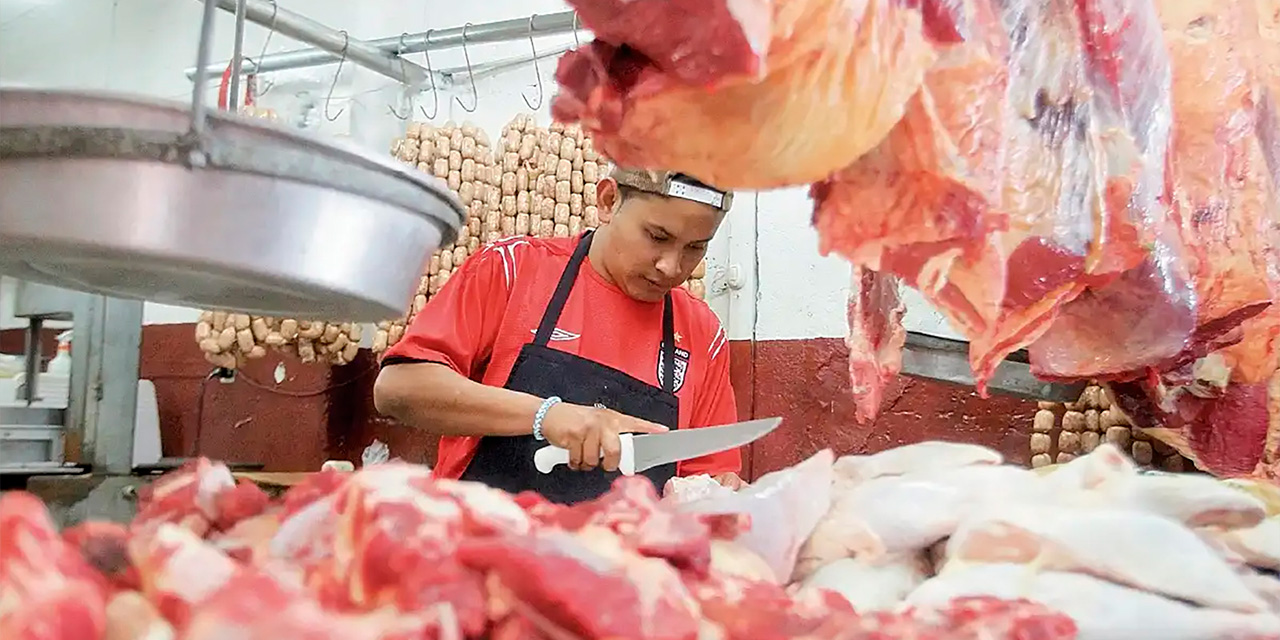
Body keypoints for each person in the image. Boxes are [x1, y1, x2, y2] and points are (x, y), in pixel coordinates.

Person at [373, 167, 745, 504]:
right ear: (608, 200)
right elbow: (397, 389)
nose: (671, 266)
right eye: (656, 237)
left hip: (618, 568)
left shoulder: (701, 333)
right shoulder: (515, 269)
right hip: (480, 554)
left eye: (695, 248)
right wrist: (545, 415)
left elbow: (707, 480)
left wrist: (723, 495)